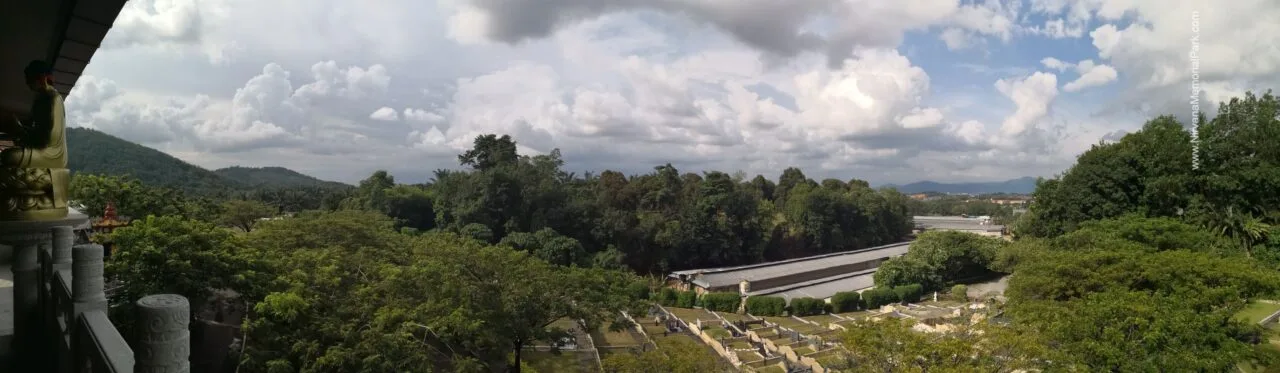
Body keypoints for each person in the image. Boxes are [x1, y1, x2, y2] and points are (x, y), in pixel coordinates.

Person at [0, 60, 66, 167]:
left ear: (41, 77)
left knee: (8, 156)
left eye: (29, 79)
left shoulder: (47, 99)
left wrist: (18, 129)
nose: (27, 83)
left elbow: (42, 140)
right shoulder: (49, 97)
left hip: (47, 154)